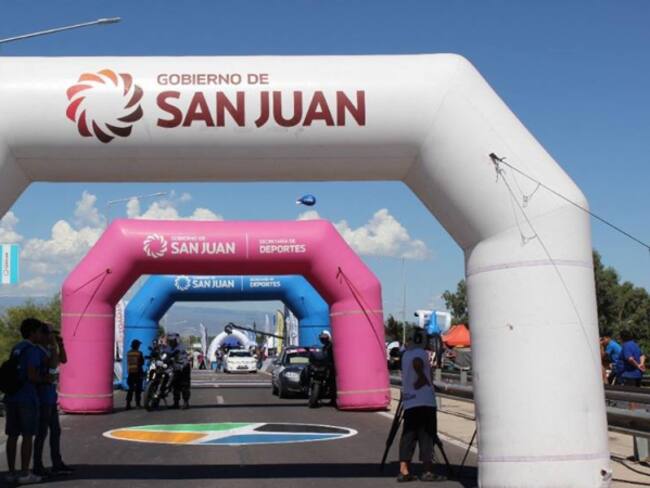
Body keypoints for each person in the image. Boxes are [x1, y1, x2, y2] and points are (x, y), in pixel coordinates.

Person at [397, 328, 445, 482]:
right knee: (427, 437)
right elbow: (419, 367)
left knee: (408, 436)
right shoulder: (421, 354)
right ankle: (427, 470)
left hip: (410, 401)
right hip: (425, 401)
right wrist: (424, 379)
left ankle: (404, 470)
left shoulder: (405, 354)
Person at [4, 318, 48, 485]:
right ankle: (25, 473)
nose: (41, 335)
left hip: (11, 396)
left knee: (12, 436)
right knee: (28, 436)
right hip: (27, 397)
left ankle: (11, 472)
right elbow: (32, 375)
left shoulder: (17, 348)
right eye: (39, 331)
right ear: (32, 333)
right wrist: (45, 379)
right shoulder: (32, 350)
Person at [33, 323, 72, 477]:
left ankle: (57, 463)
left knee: (55, 431)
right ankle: (37, 465)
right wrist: (53, 347)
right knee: (42, 433)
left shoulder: (50, 349)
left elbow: (64, 360)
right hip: (42, 398)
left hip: (51, 397)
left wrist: (60, 345)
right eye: (50, 333)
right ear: (43, 335)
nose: (53, 336)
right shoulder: (38, 351)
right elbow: (54, 364)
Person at [164, 333, 191, 409]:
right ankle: (176, 403)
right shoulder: (168, 347)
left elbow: (184, 359)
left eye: (172, 340)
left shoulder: (181, 347)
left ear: (175, 340)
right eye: (170, 340)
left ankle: (186, 402)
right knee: (175, 385)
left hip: (183, 368)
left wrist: (181, 365)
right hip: (174, 368)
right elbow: (164, 353)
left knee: (184, 385)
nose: (171, 341)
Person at [318, 330, 337, 405]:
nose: (323, 340)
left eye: (325, 338)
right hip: (325, 366)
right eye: (322, 339)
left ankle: (333, 399)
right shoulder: (324, 347)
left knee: (332, 382)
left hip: (331, 367)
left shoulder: (331, 346)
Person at [126, 339, 145, 410]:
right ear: (137, 346)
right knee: (138, 389)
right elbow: (142, 362)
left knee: (130, 389)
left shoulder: (128, 353)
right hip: (138, 372)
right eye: (139, 345)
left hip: (130, 372)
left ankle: (128, 404)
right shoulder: (139, 353)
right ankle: (137, 404)